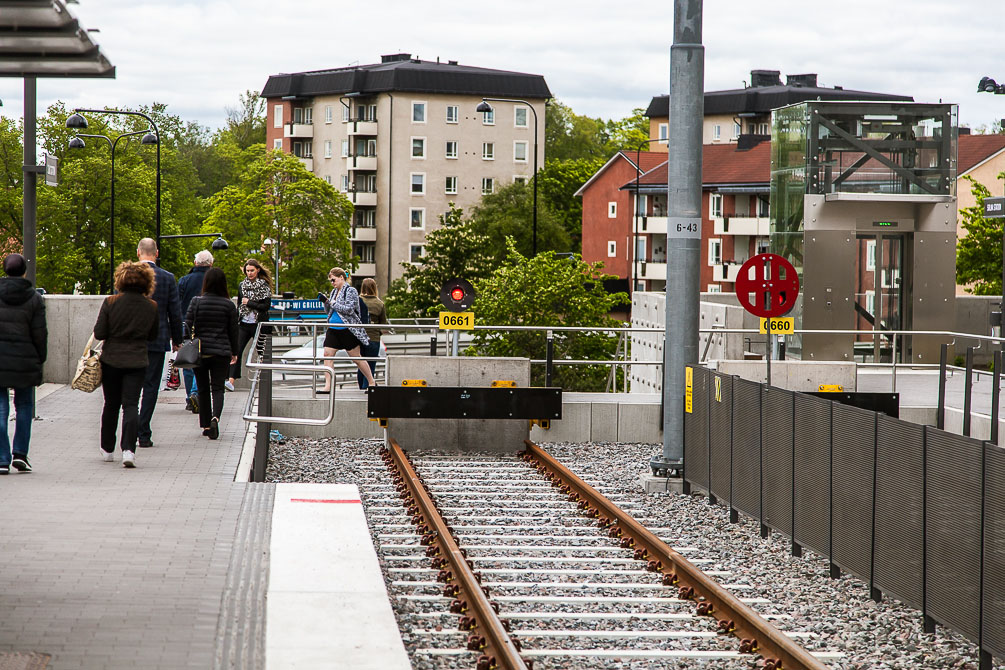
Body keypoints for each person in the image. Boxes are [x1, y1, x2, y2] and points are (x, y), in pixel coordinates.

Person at [93, 262, 159, 468]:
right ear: (147, 281)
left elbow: (100, 333)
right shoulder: (151, 306)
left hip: (112, 360)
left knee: (111, 404)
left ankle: (107, 448)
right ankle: (129, 450)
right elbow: (153, 335)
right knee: (131, 405)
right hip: (137, 360)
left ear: (120, 279)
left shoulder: (111, 302)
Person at [0, 254, 47, 475]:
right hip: (25, 359)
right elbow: (40, 334)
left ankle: (1, 457)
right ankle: (20, 454)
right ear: (24, 272)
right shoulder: (35, 299)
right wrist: (40, 358)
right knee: (25, 406)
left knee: (0, 407)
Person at [136, 238, 183, 449]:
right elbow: (174, 311)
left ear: (138, 253)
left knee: (131, 386)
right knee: (151, 386)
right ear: (157, 253)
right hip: (157, 338)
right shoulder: (167, 278)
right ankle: (143, 432)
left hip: (130, 340)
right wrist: (177, 340)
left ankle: (130, 429)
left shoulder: (128, 274)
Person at [186, 267, 238, 440]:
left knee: (202, 389)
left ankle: (206, 425)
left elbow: (187, 323)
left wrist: (186, 340)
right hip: (221, 352)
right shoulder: (229, 305)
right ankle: (216, 417)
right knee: (217, 388)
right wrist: (234, 352)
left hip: (201, 352)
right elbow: (233, 331)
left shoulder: (196, 301)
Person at [319, 267, 375, 393]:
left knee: (356, 358)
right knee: (327, 355)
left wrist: (332, 303)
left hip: (347, 329)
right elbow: (330, 311)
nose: (332, 283)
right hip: (333, 328)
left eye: (333, 280)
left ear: (341, 277)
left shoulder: (351, 291)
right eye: (330, 281)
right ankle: (328, 385)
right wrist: (326, 303)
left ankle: (372, 381)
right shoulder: (334, 292)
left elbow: (349, 309)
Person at [177, 250, 214, 413]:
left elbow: (177, 305)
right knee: (202, 361)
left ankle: (189, 397)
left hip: (187, 324)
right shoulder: (213, 281)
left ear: (195, 263)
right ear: (211, 264)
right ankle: (195, 393)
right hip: (208, 325)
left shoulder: (184, 280)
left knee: (188, 361)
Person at [228, 259, 273, 391]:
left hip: (259, 324)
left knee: (262, 353)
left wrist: (250, 303)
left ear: (258, 270)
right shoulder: (242, 285)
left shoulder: (264, 286)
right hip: (244, 323)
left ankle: (264, 383)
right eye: (247, 271)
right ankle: (231, 381)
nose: (250, 273)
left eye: (252, 270)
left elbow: (266, 306)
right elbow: (240, 305)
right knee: (236, 351)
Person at [357, 278, 388, 390]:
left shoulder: (357, 301)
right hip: (373, 338)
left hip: (358, 338)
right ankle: (368, 386)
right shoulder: (379, 304)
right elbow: (383, 324)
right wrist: (378, 331)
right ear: (375, 288)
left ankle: (361, 386)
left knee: (360, 363)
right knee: (370, 364)